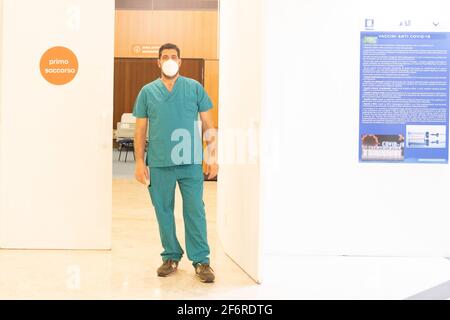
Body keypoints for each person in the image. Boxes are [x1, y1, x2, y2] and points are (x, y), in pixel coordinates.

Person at [133, 43, 218, 283]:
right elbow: (140, 130)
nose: (169, 60)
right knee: (163, 211)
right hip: (159, 162)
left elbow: (209, 125)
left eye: (173, 57)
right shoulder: (147, 91)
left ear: (180, 62)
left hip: (190, 160)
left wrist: (211, 156)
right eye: (165, 57)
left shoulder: (194, 88)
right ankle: (171, 256)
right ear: (158, 62)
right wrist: (139, 162)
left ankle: (201, 260)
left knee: (195, 210)